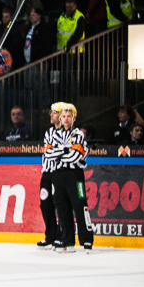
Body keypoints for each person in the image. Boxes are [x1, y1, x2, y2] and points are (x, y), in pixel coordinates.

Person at [44, 103, 94, 253]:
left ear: (74, 118)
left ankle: (86, 239)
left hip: (74, 175)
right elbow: (48, 154)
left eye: (69, 116)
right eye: (63, 116)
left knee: (80, 205)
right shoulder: (55, 134)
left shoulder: (78, 134)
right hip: (58, 175)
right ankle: (67, 239)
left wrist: (60, 152)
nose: (65, 119)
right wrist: (66, 149)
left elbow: (75, 156)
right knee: (61, 207)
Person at [37, 102, 64, 248]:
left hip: (59, 173)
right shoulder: (49, 132)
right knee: (45, 203)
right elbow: (49, 152)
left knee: (60, 205)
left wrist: (58, 151)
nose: (51, 115)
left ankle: (61, 235)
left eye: (54, 112)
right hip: (46, 173)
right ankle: (50, 235)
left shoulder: (68, 132)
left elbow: (59, 153)